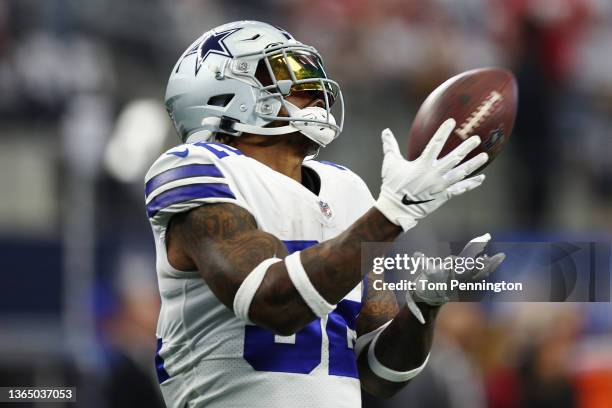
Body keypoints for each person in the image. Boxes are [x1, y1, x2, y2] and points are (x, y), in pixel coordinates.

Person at [145, 20, 502, 408]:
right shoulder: (196, 167)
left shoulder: (347, 189)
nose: (313, 89)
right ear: (222, 93)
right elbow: (271, 304)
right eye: (288, 74)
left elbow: (379, 374)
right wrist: (392, 214)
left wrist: (423, 307)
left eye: (311, 74)